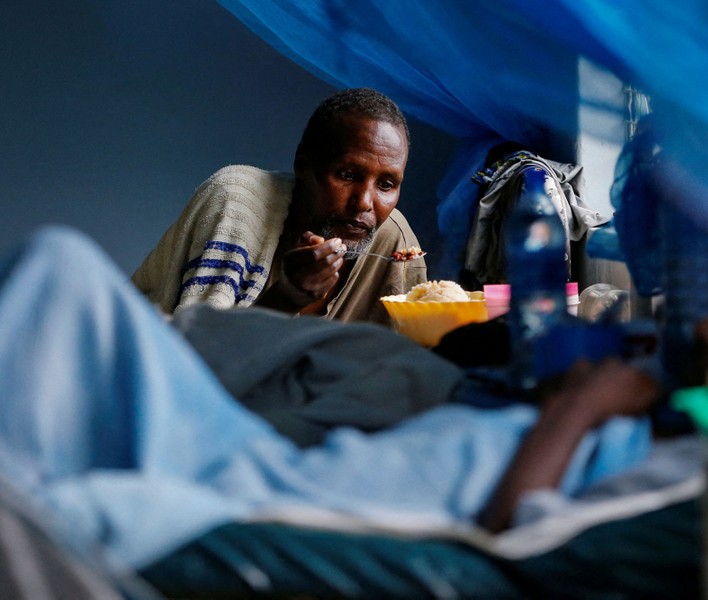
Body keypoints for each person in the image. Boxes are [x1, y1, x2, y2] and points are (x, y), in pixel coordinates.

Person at [0, 225, 657, 572]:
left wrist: (576, 408)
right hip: (289, 437)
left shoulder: (669, 456)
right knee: (62, 267)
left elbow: (519, 540)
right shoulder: (643, 385)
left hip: (267, 480)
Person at [131, 87, 426, 325]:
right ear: (303, 164)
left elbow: (416, 368)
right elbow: (197, 361)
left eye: (386, 185)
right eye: (347, 175)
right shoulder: (237, 202)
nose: (364, 202)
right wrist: (288, 295)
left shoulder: (395, 243)